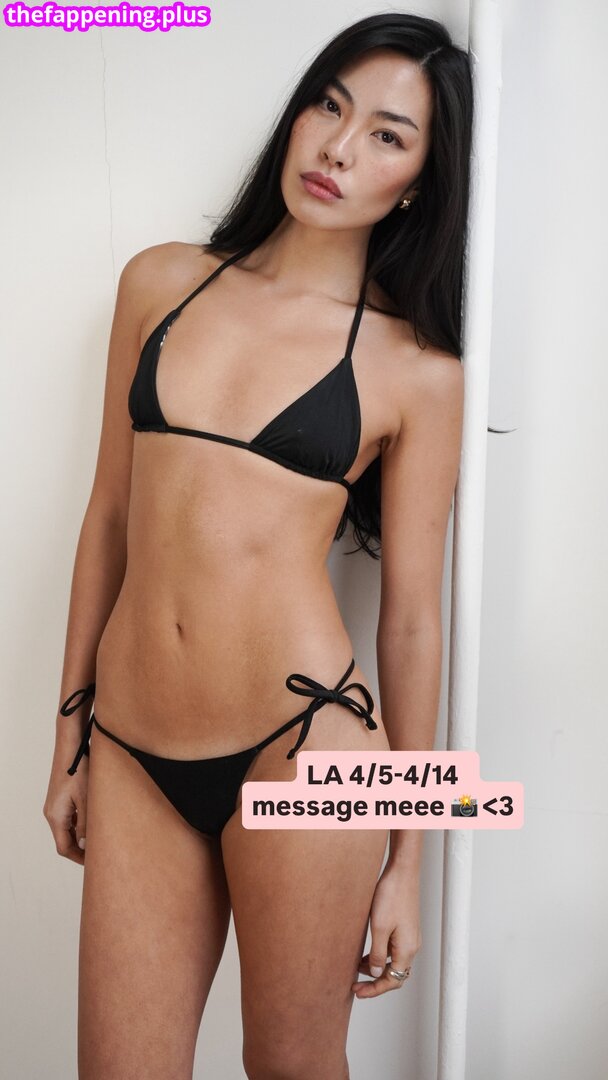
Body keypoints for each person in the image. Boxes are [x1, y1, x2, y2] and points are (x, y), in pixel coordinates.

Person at [43, 12, 471, 1079]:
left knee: (292, 1067)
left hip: (307, 747)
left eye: (386, 136)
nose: (338, 148)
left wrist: (408, 862)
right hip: (132, 749)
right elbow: (108, 518)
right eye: (329, 106)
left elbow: (413, 622)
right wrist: (69, 738)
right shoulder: (160, 283)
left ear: (417, 182)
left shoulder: (416, 371)